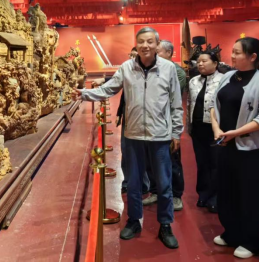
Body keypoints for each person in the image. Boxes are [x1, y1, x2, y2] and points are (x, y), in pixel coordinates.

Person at [73, 27, 183, 250]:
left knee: (164, 184)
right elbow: (108, 89)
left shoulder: (168, 68)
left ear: (157, 44)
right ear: (136, 44)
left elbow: (176, 102)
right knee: (133, 182)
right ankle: (134, 220)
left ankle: (165, 224)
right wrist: (84, 94)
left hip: (160, 136)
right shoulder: (126, 67)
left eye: (150, 41)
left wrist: (176, 132)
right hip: (133, 135)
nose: (145, 45)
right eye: (141, 41)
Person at [211, 37, 259, 259]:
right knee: (226, 193)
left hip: (251, 150)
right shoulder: (228, 77)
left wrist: (235, 133)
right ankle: (232, 233)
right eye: (232, 51)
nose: (232, 56)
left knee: (250, 196)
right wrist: (217, 129)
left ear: (253, 57)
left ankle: (251, 241)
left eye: (238, 52)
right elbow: (214, 105)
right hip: (225, 145)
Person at [143, 40, 187, 211]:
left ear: (169, 53)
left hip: (166, 123)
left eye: (158, 51)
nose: (154, 54)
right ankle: (155, 191)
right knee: (150, 161)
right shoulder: (150, 69)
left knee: (172, 161)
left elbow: (171, 98)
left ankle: (176, 195)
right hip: (149, 124)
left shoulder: (176, 71)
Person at [188, 50, 224, 213]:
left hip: (215, 129)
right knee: (202, 163)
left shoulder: (223, 80)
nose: (200, 64)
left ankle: (216, 196)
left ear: (215, 63)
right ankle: (203, 194)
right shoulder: (193, 81)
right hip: (197, 128)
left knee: (216, 163)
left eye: (204, 61)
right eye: (198, 62)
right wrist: (188, 126)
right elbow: (190, 103)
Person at [119, 47, 150, 196]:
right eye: (130, 55)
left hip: (147, 120)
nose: (132, 58)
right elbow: (118, 89)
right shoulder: (128, 70)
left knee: (144, 153)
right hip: (129, 117)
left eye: (135, 55)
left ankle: (144, 184)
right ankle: (128, 182)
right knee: (126, 151)